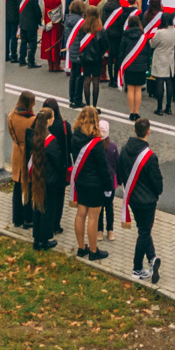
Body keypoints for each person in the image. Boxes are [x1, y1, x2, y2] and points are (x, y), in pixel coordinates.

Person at [117, 116, 163, 283]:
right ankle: (137, 268)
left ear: (135, 130)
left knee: (143, 229)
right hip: (148, 201)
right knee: (144, 232)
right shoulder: (150, 157)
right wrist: (157, 192)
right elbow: (156, 182)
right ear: (148, 131)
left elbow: (120, 171)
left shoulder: (124, 149)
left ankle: (152, 259)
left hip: (132, 198)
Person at [68, 108, 116, 259]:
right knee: (93, 217)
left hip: (80, 181)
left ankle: (81, 248)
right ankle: (94, 251)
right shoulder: (96, 143)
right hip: (95, 184)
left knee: (80, 214)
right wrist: (108, 186)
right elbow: (103, 168)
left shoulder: (75, 137)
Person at [27, 107, 65, 251]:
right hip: (49, 180)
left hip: (37, 177)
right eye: (53, 118)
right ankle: (44, 240)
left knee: (37, 208)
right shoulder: (51, 141)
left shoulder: (34, 136)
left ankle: (36, 239)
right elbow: (57, 161)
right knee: (47, 211)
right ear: (49, 121)